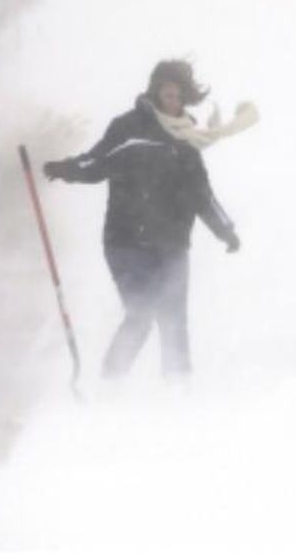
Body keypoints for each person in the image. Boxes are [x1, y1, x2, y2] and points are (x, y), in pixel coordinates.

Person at [43, 60, 258, 379]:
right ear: (155, 93)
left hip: (172, 246)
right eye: (166, 93)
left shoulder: (187, 143)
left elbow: (202, 195)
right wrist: (67, 169)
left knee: (173, 320)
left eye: (177, 95)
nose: (172, 100)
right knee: (140, 315)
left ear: (185, 99)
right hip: (127, 242)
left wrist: (225, 230)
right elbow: (96, 162)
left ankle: (177, 389)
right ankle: (111, 382)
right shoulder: (128, 129)